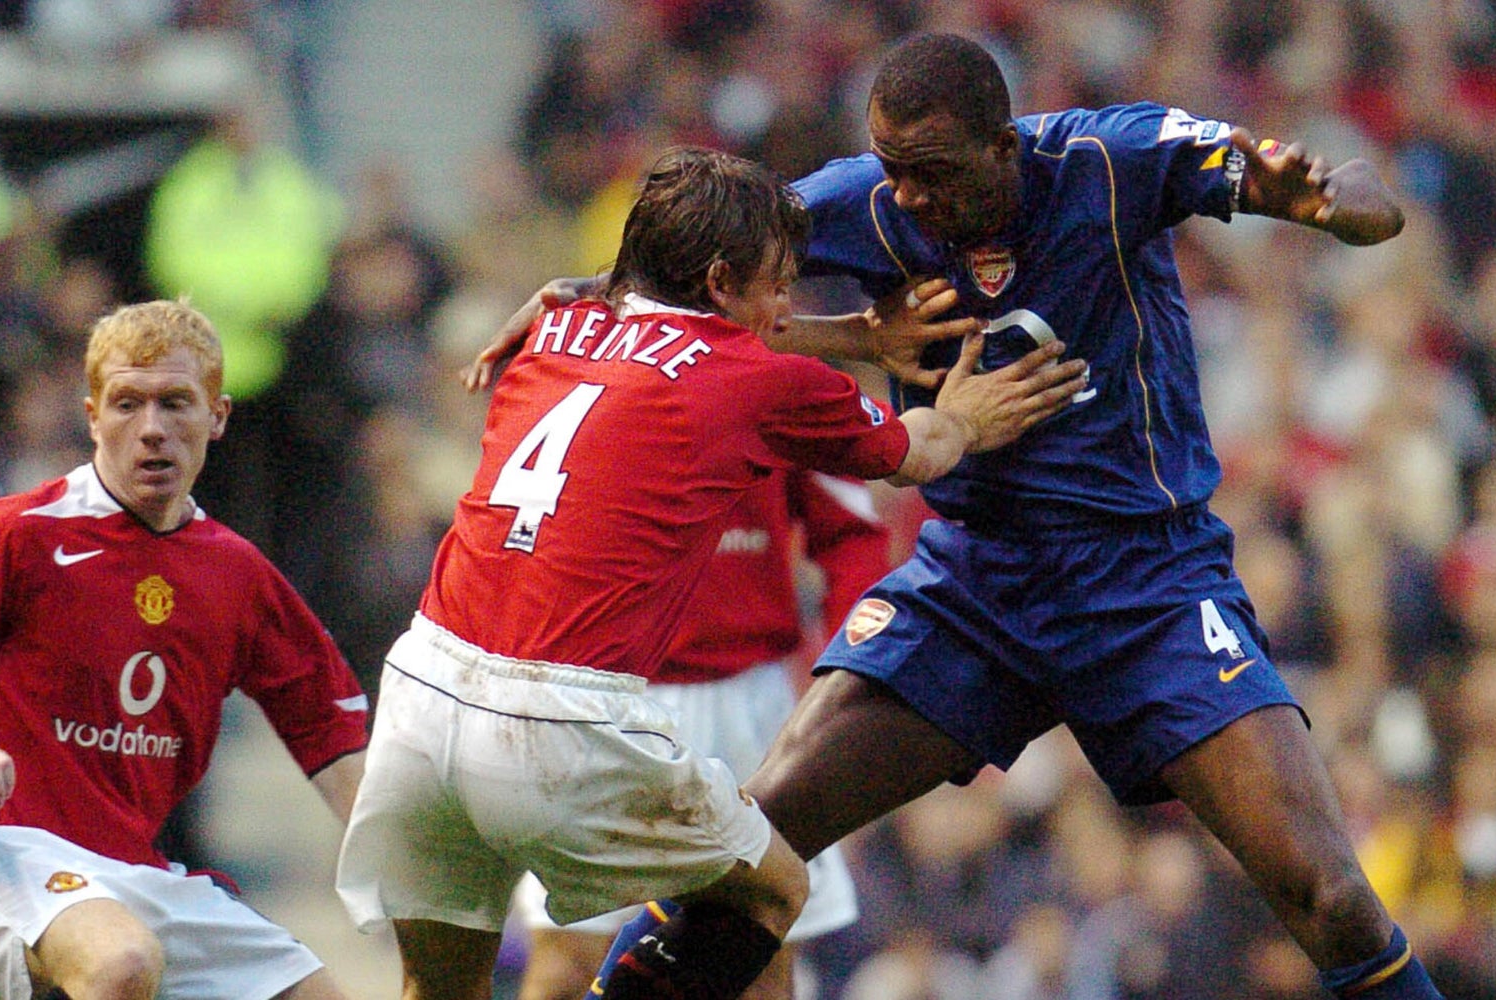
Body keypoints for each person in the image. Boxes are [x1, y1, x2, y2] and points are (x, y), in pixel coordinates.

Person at [477, 31, 1437, 1000]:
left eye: (930, 172)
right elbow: (690, 293)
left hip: (1147, 583)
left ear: (1002, 147)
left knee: (1331, 898)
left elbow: (1358, 199)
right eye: (890, 168)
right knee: (743, 850)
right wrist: (589, 302)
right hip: (976, 582)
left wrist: (1331, 203)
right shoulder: (862, 200)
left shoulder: (1114, 162)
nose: (905, 197)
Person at [335, 144, 1088, 1000]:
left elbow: (635, 316)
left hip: (422, 691)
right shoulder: (758, 382)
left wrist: (855, 336)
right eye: (778, 285)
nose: (787, 307)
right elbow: (923, 449)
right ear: (722, 279)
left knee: (438, 989)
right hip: (555, 718)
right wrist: (968, 418)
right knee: (771, 893)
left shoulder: (555, 323)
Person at [0, 299, 371, 1000]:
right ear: (92, 417)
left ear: (217, 416)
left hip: (138, 877)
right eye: (127, 404)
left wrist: (408, 872)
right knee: (120, 961)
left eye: (175, 403)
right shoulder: (10, 535)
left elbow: (330, 736)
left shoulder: (238, 574)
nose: (151, 429)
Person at [511, 468, 890, 1000]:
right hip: (605, 693)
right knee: (567, 964)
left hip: (749, 706)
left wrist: (858, 675)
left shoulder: (795, 408)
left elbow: (849, 531)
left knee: (756, 966)